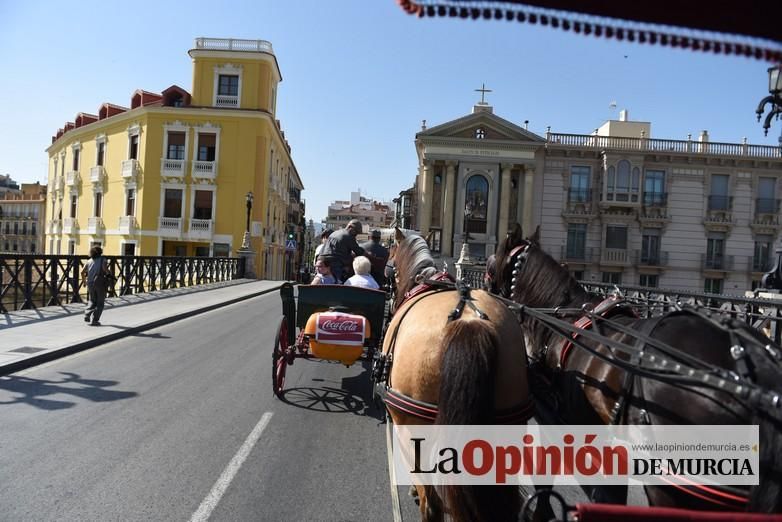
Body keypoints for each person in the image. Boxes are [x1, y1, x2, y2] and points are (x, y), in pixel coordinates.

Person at [81, 246, 111, 326]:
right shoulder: (103, 259)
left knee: (92, 300)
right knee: (100, 302)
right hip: (99, 283)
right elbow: (104, 269)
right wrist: (109, 274)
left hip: (90, 283)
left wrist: (84, 281)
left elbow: (82, 272)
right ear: (100, 252)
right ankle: (95, 320)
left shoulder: (89, 261)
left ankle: (87, 314)